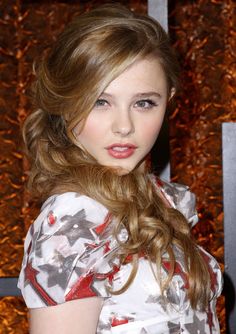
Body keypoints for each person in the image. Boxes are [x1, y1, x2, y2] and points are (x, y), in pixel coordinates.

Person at [18, 3, 222, 334]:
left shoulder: (162, 200)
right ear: (66, 105)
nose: (124, 126)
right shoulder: (75, 219)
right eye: (101, 101)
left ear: (168, 100)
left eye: (144, 103)